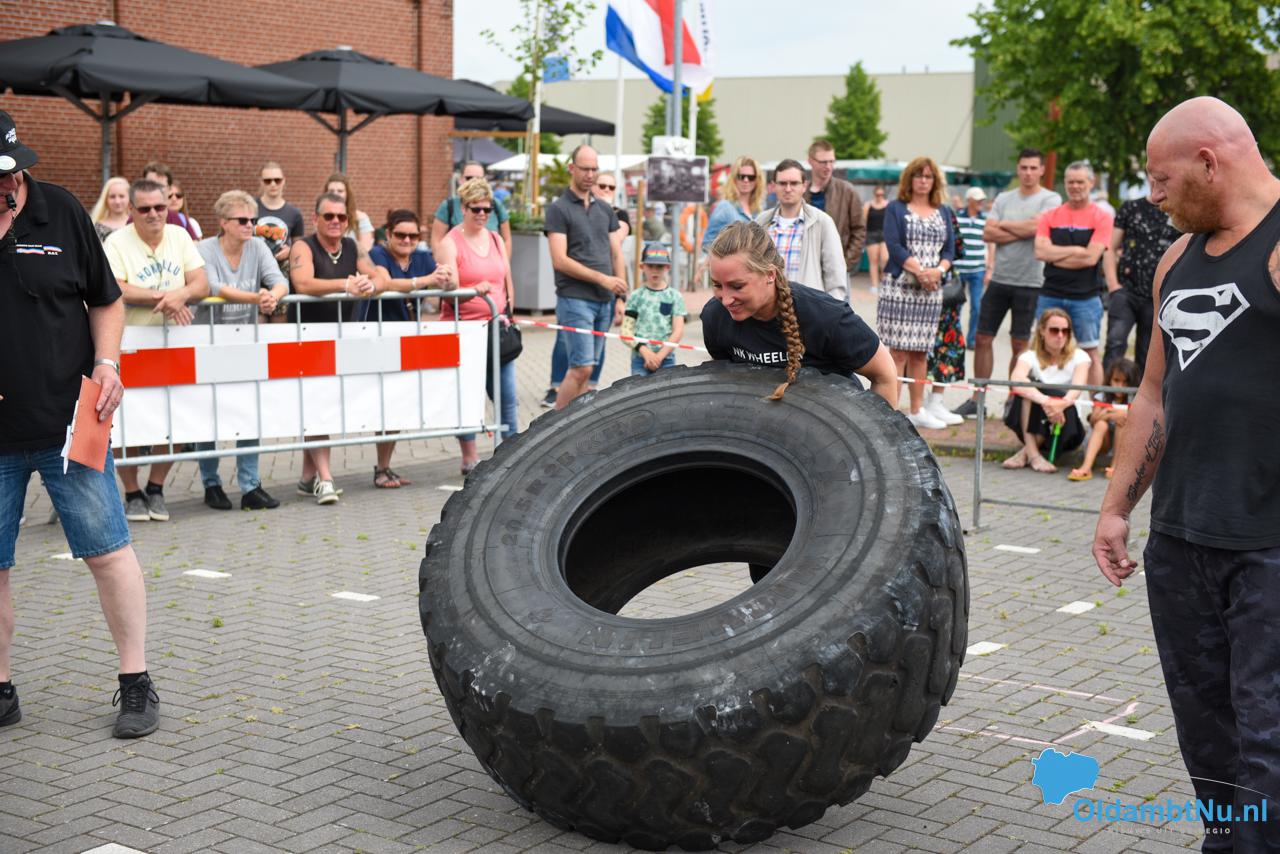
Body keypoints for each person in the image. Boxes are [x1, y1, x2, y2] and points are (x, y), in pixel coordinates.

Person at [1093, 96, 1280, 850]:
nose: (1153, 196)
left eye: (1161, 179)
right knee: (1209, 741)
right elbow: (1151, 393)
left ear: (1209, 163)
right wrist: (1115, 509)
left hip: (1267, 547)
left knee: (1268, 742)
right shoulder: (1176, 259)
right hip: (1180, 541)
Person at [0, 109, 160, 738]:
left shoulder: (62, 212)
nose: (6, 184)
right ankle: (2, 689)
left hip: (71, 422)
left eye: (10, 173)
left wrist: (107, 364)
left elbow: (107, 301)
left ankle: (136, 683)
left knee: (108, 552)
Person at [702, 221, 897, 408]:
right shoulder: (715, 317)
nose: (726, 300)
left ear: (770, 275)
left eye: (737, 286)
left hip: (832, 420)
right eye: (717, 285)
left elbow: (884, 375)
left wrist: (880, 429)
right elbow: (725, 380)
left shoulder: (826, 317)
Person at [104, 179, 209, 522]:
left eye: (160, 207)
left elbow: (201, 282)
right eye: (145, 208)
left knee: (176, 418)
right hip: (130, 343)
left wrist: (182, 294)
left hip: (173, 344)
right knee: (129, 421)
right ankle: (132, 492)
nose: (154, 214)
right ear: (131, 209)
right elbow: (115, 286)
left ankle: (156, 487)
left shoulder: (180, 236)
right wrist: (165, 298)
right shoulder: (116, 242)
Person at [288, 191, 389, 504]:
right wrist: (346, 284)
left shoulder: (352, 246)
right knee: (317, 407)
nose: (335, 221)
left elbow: (380, 276)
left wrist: (371, 285)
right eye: (328, 216)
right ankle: (326, 478)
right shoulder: (303, 246)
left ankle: (308, 476)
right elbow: (303, 283)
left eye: (341, 217)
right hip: (307, 338)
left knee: (325, 406)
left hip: (341, 340)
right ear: (315, 218)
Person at [193, 191, 286, 511]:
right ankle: (211, 483)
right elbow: (213, 286)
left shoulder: (258, 247)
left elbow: (279, 280)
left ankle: (250, 485)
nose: (250, 225)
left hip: (245, 341)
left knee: (249, 411)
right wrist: (257, 298)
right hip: (208, 341)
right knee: (209, 414)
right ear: (223, 223)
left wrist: (273, 296)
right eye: (242, 220)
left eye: (253, 220)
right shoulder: (204, 249)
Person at [958, 149, 1061, 419]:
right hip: (999, 279)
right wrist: (1024, 228)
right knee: (982, 338)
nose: (1028, 172)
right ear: (1018, 168)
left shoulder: (1050, 198)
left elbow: (1038, 228)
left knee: (1019, 345)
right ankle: (978, 399)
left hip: (1030, 281)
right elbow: (987, 232)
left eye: (1033, 168)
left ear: (1041, 170)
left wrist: (1004, 226)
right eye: (1023, 167)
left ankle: (1013, 401)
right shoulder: (1004, 198)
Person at [435, 178, 519, 475]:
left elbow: (505, 278)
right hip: (465, 330)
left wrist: (510, 310)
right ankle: (469, 457)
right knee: (468, 396)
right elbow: (448, 292)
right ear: (463, 208)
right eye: (476, 209)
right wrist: (472, 291)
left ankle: (513, 452)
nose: (482, 214)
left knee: (507, 394)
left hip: (497, 327)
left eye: (487, 209)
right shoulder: (450, 243)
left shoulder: (495, 239)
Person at [366, 208, 455, 487]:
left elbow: (449, 280)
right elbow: (385, 283)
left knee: (394, 406)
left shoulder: (422, 257)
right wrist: (426, 281)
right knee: (381, 406)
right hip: (377, 338)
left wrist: (447, 276)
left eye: (413, 236)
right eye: (401, 235)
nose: (407, 240)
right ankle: (373, 469)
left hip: (407, 340)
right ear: (388, 234)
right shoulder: (378, 254)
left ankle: (384, 466)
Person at [546, 145, 628, 410]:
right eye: (585, 169)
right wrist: (603, 279)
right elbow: (559, 260)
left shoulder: (604, 209)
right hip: (575, 298)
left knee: (589, 372)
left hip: (605, 300)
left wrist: (620, 297)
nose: (590, 175)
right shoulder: (558, 209)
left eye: (594, 169)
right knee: (581, 367)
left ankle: (574, 424)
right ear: (572, 168)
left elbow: (616, 253)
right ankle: (555, 426)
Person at [877, 156, 956, 430]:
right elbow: (894, 246)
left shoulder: (943, 211)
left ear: (935, 181)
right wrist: (921, 272)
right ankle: (891, 411)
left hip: (931, 290)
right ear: (909, 179)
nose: (923, 181)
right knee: (897, 353)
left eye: (928, 176)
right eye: (918, 175)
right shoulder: (895, 208)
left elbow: (950, 250)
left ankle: (917, 409)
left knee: (921, 353)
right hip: (900, 288)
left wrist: (938, 271)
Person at [1033, 161, 1113, 386]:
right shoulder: (1050, 216)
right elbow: (1040, 252)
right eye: (1070, 182)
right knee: (1043, 349)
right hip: (1051, 293)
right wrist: (1077, 250)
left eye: (1080, 182)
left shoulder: (1102, 217)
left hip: (1086, 297)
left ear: (1091, 182)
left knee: (1090, 353)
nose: (1075, 186)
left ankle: (1095, 403)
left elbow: (1091, 258)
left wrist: (1055, 255)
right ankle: (1043, 399)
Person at [1001, 308, 1089, 473]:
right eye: (1054, 330)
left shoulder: (1080, 356)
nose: (1060, 335)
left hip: (1067, 428)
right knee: (1028, 387)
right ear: (1042, 331)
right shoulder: (1029, 356)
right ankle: (1034, 455)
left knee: (1053, 392)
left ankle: (1026, 453)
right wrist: (1047, 402)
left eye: (1065, 331)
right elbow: (1016, 380)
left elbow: (1077, 388)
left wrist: (1060, 404)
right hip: (1032, 424)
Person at [1102, 196, 1178, 377]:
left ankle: (1140, 392)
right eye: (1153, 180)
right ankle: (1107, 390)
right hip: (1125, 290)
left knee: (1148, 352)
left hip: (1158, 295)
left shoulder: (1177, 208)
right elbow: (1110, 247)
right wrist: (1113, 285)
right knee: (1115, 343)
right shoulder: (1131, 207)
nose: (1156, 183)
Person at [756, 159, 847, 301]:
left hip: (808, 307)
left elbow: (835, 277)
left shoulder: (822, 222)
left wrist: (831, 310)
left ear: (804, 186)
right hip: (767, 307)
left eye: (794, 183)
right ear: (773, 186)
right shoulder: (760, 222)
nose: (788, 189)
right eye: (782, 183)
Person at [1068, 357, 1138, 482]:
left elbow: (1132, 418)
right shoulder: (1102, 395)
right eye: (1116, 380)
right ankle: (1086, 467)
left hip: (1123, 444)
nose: (1120, 386)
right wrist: (1113, 415)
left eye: (1125, 382)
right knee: (1101, 424)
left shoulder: (1134, 398)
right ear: (1109, 379)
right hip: (1101, 443)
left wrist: (1107, 412)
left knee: (1122, 422)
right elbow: (1094, 418)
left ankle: (1115, 466)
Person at [805, 140, 866, 278]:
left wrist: (845, 264)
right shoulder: (801, 192)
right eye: (823, 162)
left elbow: (859, 230)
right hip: (807, 268)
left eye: (831, 161)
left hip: (837, 269)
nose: (828, 166)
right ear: (810, 161)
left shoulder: (847, 190)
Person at [625, 243, 687, 376]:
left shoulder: (675, 296)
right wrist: (645, 352)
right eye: (650, 266)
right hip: (640, 359)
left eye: (659, 266)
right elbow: (626, 331)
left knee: (667, 390)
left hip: (666, 359)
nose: (655, 270)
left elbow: (678, 331)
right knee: (639, 389)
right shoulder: (636, 296)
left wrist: (659, 357)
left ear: (667, 267)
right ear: (642, 266)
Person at [431, 161, 512, 259]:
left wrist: (504, 264)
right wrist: (444, 262)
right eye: (469, 178)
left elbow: (507, 239)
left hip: (492, 265)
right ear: (460, 180)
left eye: (486, 210)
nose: (474, 182)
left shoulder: (496, 204)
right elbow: (436, 240)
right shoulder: (449, 206)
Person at [954, 187, 993, 344]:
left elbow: (990, 244)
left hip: (978, 269)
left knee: (977, 306)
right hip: (958, 269)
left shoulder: (985, 219)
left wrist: (989, 268)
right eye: (977, 199)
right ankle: (955, 339)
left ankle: (971, 340)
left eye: (981, 199)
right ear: (969, 200)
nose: (980, 202)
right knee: (956, 307)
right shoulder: (957, 218)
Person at [702, 156, 764, 251]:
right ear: (734, 178)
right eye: (741, 176)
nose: (746, 180)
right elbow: (707, 244)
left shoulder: (759, 210)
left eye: (751, 177)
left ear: (757, 180)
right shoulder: (724, 207)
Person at [255, 161, 304, 272]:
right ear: (261, 182)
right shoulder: (250, 208)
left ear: (284, 181)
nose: (273, 184)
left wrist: (290, 251)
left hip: (281, 271)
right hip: (254, 268)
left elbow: (299, 248)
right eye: (267, 181)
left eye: (277, 180)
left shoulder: (294, 213)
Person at [139, 161, 198, 240]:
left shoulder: (178, 219)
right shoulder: (135, 219)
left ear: (169, 189)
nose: (156, 190)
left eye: (161, 186)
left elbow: (194, 244)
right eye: (151, 184)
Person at [323, 173, 374, 253]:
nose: (335, 194)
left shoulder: (361, 218)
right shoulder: (321, 217)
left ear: (347, 194)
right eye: (331, 191)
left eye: (340, 191)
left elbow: (366, 250)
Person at [863, 186, 889, 290]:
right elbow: (864, 221)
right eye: (878, 195)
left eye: (881, 195)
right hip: (871, 234)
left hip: (885, 234)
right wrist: (863, 236)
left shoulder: (888, 205)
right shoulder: (868, 205)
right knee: (873, 261)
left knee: (885, 259)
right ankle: (874, 285)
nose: (879, 197)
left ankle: (884, 281)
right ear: (874, 194)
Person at [89, 176, 130, 242]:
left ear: (129, 198)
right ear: (105, 199)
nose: (117, 201)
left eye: (121, 196)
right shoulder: (96, 228)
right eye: (112, 197)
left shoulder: (137, 225)